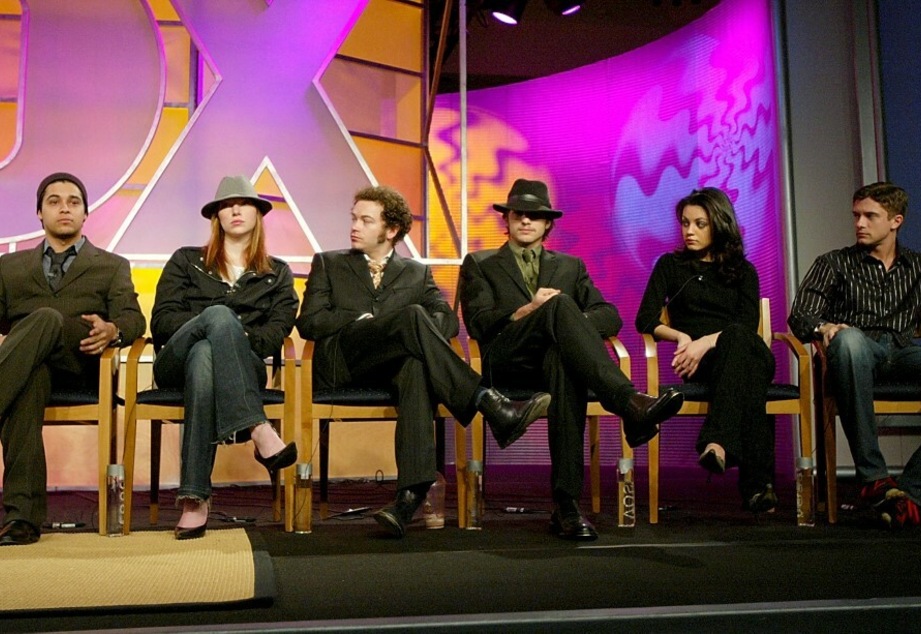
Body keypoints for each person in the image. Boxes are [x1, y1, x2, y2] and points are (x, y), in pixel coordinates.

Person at [296, 184, 551, 538]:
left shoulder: (415, 272)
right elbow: (309, 322)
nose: (354, 226)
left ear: (391, 230)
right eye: (354, 218)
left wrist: (406, 328)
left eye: (365, 220)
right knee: (412, 317)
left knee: (416, 364)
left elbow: (447, 320)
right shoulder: (329, 263)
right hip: (344, 363)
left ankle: (408, 498)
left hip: (394, 367)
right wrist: (362, 321)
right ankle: (486, 400)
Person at [459, 178, 684, 541]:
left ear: (548, 223)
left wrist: (566, 323)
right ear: (507, 219)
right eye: (519, 214)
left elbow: (610, 315)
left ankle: (566, 505)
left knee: (564, 359)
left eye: (535, 216)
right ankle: (628, 402)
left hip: (551, 361)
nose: (526, 221)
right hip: (506, 357)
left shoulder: (570, 266)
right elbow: (478, 321)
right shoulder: (480, 263)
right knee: (560, 305)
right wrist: (530, 310)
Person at [788, 182, 921, 529]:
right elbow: (800, 315)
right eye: (856, 216)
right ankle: (874, 478)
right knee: (849, 341)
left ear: (896, 221)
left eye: (869, 216)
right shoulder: (834, 263)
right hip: (859, 353)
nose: (859, 223)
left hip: (904, 355)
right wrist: (824, 328)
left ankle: (912, 494)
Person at [0, 172, 146, 546]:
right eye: (54, 201)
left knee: (47, 317)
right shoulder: (9, 267)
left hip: (82, 364)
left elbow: (133, 317)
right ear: (38, 213)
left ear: (84, 215)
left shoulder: (111, 265)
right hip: (27, 369)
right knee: (25, 384)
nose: (64, 207)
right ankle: (22, 520)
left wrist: (113, 330)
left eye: (73, 202)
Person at [150, 175, 299, 540]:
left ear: (258, 214)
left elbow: (272, 336)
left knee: (206, 356)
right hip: (174, 363)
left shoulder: (276, 274)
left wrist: (225, 338)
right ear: (217, 216)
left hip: (241, 366)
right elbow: (163, 322)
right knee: (215, 321)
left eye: (244, 203)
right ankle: (258, 427)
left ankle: (194, 499)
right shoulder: (186, 261)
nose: (235, 209)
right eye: (226, 204)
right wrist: (213, 323)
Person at [635, 187, 778, 512]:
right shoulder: (670, 266)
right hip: (704, 363)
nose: (689, 231)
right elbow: (644, 319)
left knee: (739, 343)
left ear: (719, 224)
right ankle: (758, 488)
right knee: (748, 379)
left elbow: (744, 325)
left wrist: (705, 341)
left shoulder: (744, 270)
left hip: (743, 350)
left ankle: (717, 441)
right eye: (685, 223)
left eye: (700, 223)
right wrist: (681, 338)